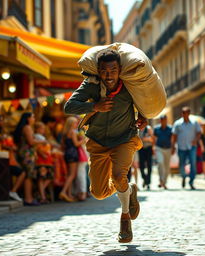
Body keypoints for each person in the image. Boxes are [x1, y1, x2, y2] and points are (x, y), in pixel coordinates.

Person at [64, 49, 146, 243]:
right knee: (99, 192)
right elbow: (69, 106)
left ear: (120, 70)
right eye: (104, 71)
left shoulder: (130, 85)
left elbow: (145, 104)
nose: (109, 75)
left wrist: (144, 117)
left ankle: (125, 218)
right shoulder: (91, 85)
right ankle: (129, 190)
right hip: (98, 143)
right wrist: (94, 106)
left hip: (124, 138)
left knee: (119, 176)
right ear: (98, 71)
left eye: (113, 70)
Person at [13, 112, 44, 206]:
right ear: (28, 119)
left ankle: (28, 197)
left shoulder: (25, 127)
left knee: (28, 175)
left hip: (24, 153)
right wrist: (41, 141)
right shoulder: (27, 127)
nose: (34, 119)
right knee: (29, 176)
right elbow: (31, 142)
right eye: (33, 117)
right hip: (27, 153)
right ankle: (28, 198)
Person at [172, 106, 201, 190]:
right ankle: (184, 176)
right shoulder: (177, 123)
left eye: (187, 113)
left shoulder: (194, 123)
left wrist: (196, 140)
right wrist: (173, 146)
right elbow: (174, 135)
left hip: (192, 147)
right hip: (181, 147)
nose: (185, 114)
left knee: (193, 164)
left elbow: (199, 132)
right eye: (184, 113)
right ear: (182, 114)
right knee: (182, 164)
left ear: (189, 113)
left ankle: (191, 182)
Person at [59, 116, 84, 202]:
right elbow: (76, 144)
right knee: (72, 175)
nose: (76, 124)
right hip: (73, 153)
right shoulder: (73, 132)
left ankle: (69, 194)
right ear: (71, 124)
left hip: (67, 153)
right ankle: (63, 191)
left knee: (69, 174)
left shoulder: (65, 133)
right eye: (75, 123)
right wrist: (83, 140)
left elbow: (62, 145)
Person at [34, 122, 54, 204]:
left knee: (48, 177)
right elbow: (37, 147)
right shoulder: (37, 137)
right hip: (42, 160)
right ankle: (42, 196)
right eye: (42, 128)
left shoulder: (41, 137)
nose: (43, 130)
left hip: (47, 160)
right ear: (37, 129)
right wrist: (42, 154)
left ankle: (39, 193)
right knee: (42, 177)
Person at [154, 114, 172, 189]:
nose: (163, 121)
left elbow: (173, 138)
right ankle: (161, 180)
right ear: (160, 121)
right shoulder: (156, 128)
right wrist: (153, 147)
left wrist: (173, 147)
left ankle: (164, 182)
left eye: (164, 120)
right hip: (159, 148)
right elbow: (154, 138)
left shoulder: (170, 128)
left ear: (166, 120)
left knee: (167, 166)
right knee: (160, 162)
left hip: (168, 148)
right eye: (162, 120)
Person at [138, 125, 154, 190]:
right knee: (141, 166)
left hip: (148, 149)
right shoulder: (137, 129)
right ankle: (145, 179)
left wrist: (145, 139)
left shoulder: (149, 128)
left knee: (149, 165)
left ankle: (148, 182)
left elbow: (152, 139)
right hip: (141, 149)